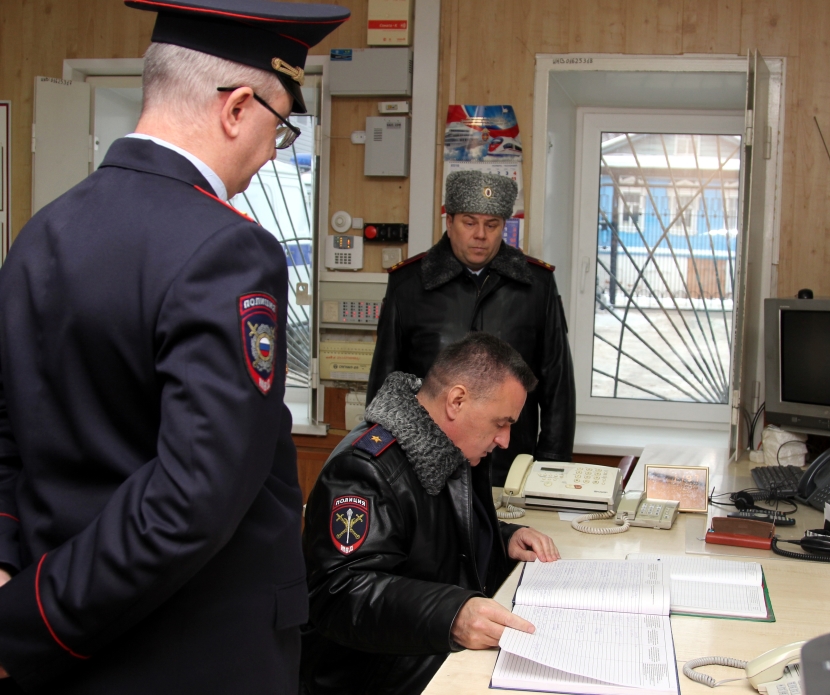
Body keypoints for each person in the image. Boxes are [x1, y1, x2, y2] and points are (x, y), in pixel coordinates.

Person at [0, 1, 349, 693]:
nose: (267, 154)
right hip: (193, 652)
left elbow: (12, 429)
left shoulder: (42, 232)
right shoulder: (228, 249)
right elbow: (190, 497)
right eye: (279, 130)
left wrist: (14, 575)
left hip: (61, 654)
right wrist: (28, 619)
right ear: (238, 107)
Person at [302, 333, 561, 695]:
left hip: (430, 659)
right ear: (456, 401)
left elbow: (437, 536)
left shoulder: (449, 444)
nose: (505, 440)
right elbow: (340, 593)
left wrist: (502, 538)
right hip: (378, 678)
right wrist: (452, 614)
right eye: (501, 422)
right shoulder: (365, 469)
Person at [367, 170, 576, 484]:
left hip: (510, 470)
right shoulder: (408, 284)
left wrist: (549, 475)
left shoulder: (536, 286)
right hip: (426, 470)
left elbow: (558, 389)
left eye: (491, 225)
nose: (481, 234)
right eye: (469, 222)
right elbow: (385, 388)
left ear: (503, 227)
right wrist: (384, 472)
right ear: (449, 222)